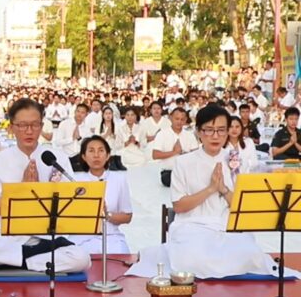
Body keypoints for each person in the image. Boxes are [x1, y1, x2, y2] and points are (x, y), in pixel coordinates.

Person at [128, 105, 300, 279]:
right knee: (192, 259)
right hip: (193, 226)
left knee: (251, 254)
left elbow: (238, 205)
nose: (216, 136)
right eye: (209, 130)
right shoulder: (183, 162)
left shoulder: (234, 160)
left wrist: (223, 189)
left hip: (226, 226)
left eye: (221, 130)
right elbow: (179, 206)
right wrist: (210, 189)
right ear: (199, 132)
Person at [0, 98, 91, 273]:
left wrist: (43, 190)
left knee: (81, 259)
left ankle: (14, 261)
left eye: (35, 125)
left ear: (41, 125)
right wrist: (22, 188)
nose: (29, 131)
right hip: (5, 237)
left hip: (47, 237)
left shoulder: (56, 158)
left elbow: (68, 206)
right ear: (12, 127)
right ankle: (35, 261)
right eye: (22, 125)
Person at [70, 136, 132, 254]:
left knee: (121, 257)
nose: (96, 155)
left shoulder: (119, 179)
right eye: (91, 151)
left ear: (108, 155)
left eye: (101, 150)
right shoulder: (75, 180)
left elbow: (127, 216)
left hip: (111, 237)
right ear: (83, 156)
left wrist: (106, 214)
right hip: (81, 238)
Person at [152, 107, 199, 187]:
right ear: (170, 118)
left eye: (182, 119)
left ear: (185, 120)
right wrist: (174, 152)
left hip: (186, 171)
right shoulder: (162, 134)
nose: (179, 122)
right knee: (168, 179)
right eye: (176, 119)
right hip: (169, 172)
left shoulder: (189, 135)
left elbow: (196, 155)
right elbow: (155, 155)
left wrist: (185, 154)